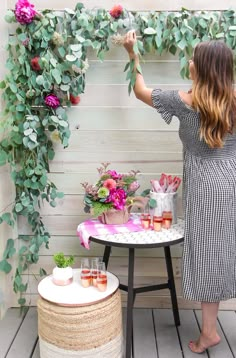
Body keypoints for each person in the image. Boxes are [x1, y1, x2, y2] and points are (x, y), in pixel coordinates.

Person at [123, 30, 236, 354]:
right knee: (227, 253)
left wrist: (133, 53)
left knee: (208, 258)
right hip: (232, 183)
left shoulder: (183, 102)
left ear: (202, 68)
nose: (188, 61)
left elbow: (140, 89)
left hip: (206, 190)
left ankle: (210, 332)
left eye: (193, 58)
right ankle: (210, 332)